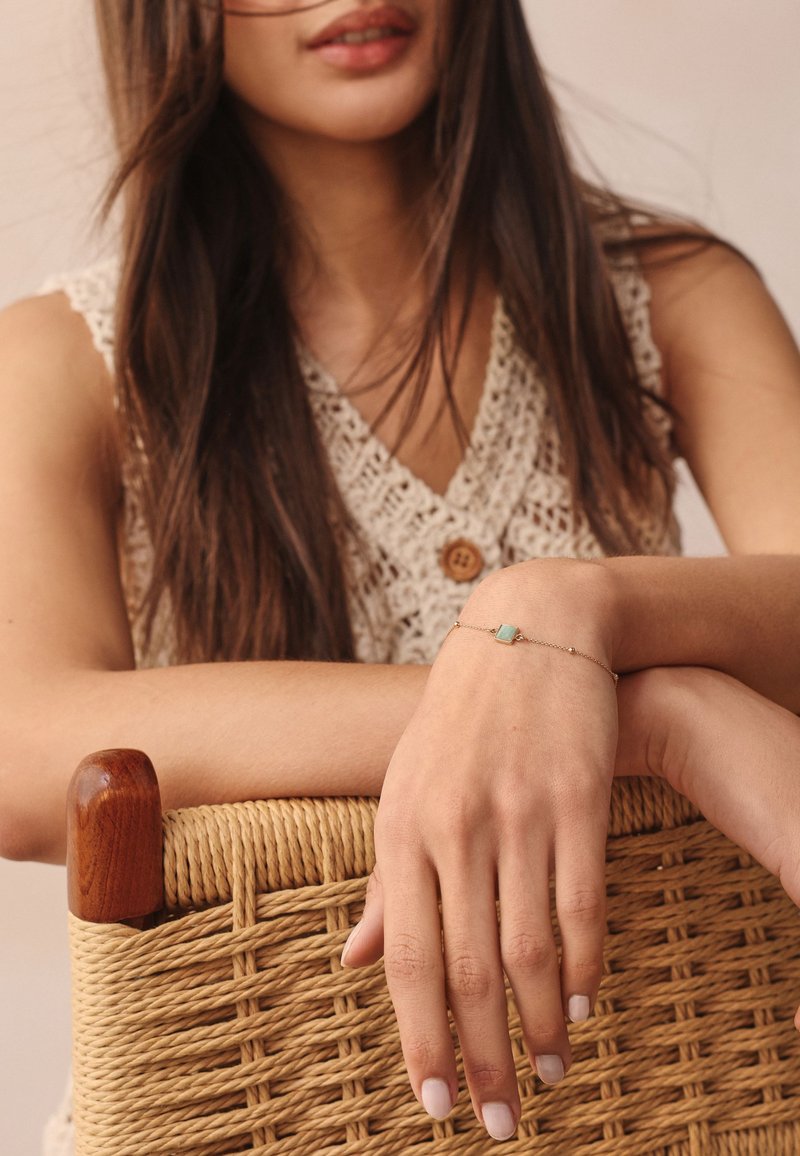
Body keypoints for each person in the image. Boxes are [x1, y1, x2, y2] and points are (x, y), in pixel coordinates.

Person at [2, 0, 799, 1150]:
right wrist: (645, 712)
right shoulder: (73, 357)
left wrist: (562, 612)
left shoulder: (666, 290)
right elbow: (24, 752)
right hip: (250, 1114)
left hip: (671, 1094)